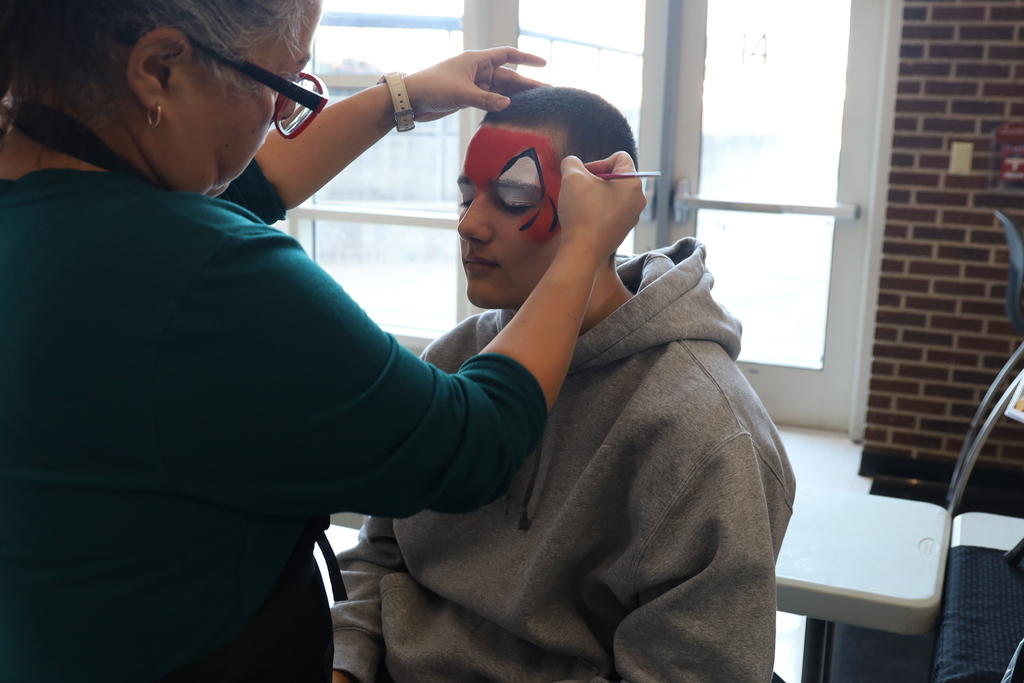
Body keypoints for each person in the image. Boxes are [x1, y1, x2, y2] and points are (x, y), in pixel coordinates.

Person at [0, 1, 646, 681]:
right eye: (279, 90)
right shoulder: (205, 273)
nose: (275, 124)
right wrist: (582, 246)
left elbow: (247, 186)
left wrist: (399, 99)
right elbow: (470, 443)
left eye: (512, 194)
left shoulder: (44, 203)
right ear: (159, 68)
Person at [330, 87, 797, 683]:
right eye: (467, 196)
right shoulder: (455, 357)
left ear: (600, 212)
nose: (469, 225)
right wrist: (345, 664)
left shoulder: (705, 430)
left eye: (513, 196)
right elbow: (381, 554)